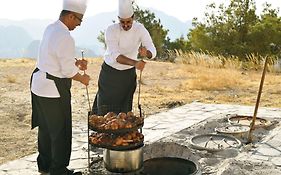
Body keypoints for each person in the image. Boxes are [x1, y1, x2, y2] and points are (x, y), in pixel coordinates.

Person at [30, 0, 90, 174]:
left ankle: (45, 165)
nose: (79, 24)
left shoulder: (51, 28)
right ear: (70, 16)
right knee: (60, 130)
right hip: (53, 90)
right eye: (79, 20)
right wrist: (82, 78)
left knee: (46, 127)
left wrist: (76, 62)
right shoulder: (66, 37)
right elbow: (67, 71)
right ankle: (58, 169)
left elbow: (54, 56)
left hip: (39, 84)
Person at [92, 0, 156, 115]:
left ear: (133, 18)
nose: (125, 25)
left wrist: (147, 53)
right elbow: (115, 56)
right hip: (109, 75)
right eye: (122, 22)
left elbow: (152, 48)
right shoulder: (111, 30)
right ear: (118, 19)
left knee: (125, 112)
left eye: (128, 22)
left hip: (128, 76)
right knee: (105, 112)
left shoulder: (140, 29)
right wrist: (135, 63)